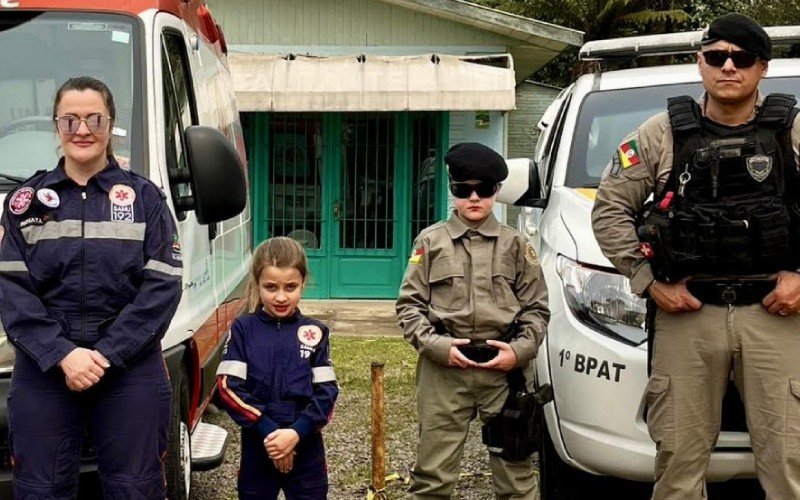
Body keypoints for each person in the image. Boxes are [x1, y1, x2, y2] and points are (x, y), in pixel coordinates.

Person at [592, 13, 800, 500]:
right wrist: (648, 281)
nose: (729, 67)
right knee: (678, 463)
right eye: (716, 56)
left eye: (742, 58)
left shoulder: (792, 130)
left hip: (777, 312)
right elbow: (609, 210)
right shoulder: (659, 133)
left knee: (789, 462)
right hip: (687, 314)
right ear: (699, 62)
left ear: (762, 68)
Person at [0, 76, 182, 498]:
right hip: (46, 369)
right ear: (56, 126)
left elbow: (162, 287)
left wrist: (105, 354)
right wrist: (63, 355)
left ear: (110, 124)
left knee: (136, 489)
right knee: (40, 489)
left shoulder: (145, 199)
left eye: (94, 119)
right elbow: (11, 289)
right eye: (70, 120)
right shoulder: (25, 203)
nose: (82, 130)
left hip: (128, 368)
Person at [396, 142, 550, 499]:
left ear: (497, 191)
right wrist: (438, 347)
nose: (474, 198)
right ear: (452, 191)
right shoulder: (430, 243)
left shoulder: (516, 246)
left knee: (517, 476)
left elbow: (537, 309)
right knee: (432, 477)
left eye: (483, 189)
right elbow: (408, 307)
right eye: (463, 190)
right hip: (446, 370)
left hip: (504, 374)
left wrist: (519, 352)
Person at [216, 236, 338, 500]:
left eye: (290, 287)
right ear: (257, 284)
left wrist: (296, 433)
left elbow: (327, 391)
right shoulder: (242, 330)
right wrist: (271, 432)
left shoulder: (316, 332)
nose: (281, 296)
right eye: (271, 287)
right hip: (259, 447)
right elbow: (227, 387)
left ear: (303, 283)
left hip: (306, 449)